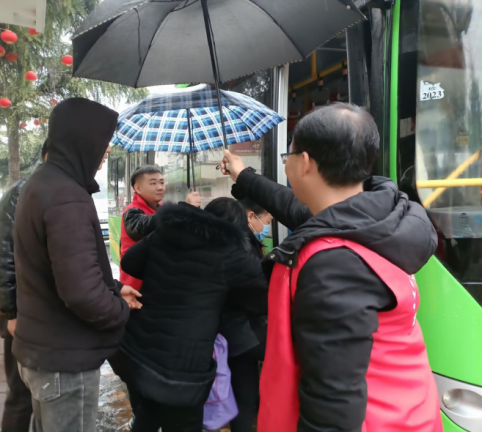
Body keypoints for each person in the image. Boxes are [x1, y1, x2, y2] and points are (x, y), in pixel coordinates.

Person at [221, 102, 443, 432]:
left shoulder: (333, 264)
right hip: (408, 412)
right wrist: (243, 175)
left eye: (287, 156)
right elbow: (292, 206)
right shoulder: (380, 220)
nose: (286, 164)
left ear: (305, 163)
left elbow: (333, 408)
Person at [12, 98, 140, 432]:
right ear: (83, 139)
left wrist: (113, 289)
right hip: (64, 362)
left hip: (43, 352)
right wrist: (119, 311)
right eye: (103, 141)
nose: (106, 151)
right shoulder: (66, 196)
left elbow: (60, 268)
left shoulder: (40, 184)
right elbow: (82, 292)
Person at [120, 198, 269, 432]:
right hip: (185, 362)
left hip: (142, 349)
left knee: (147, 416)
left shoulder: (167, 232)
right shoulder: (230, 253)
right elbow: (264, 294)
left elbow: (130, 262)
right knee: (184, 423)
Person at [0, 139, 49, 432]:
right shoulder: (22, 193)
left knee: (39, 393)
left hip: (37, 313)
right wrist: (10, 313)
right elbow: (1, 257)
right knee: (21, 394)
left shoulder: (46, 190)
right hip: (21, 314)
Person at [219, 196, 272, 432]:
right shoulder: (240, 250)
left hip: (234, 331)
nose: (267, 226)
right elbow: (257, 295)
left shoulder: (234, 243)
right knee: (245, 395)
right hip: (240, 332)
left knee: (244, 393)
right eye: (267, 220)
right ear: (251, 216)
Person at [120, 165, 201, 290]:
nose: (160, 187)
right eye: (153, 183)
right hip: (137, 286)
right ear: (138, 188)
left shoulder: (161, 208)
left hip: (159, 282)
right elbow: (141, 228)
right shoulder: (131, 212)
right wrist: (182, 208)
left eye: (162, 183)